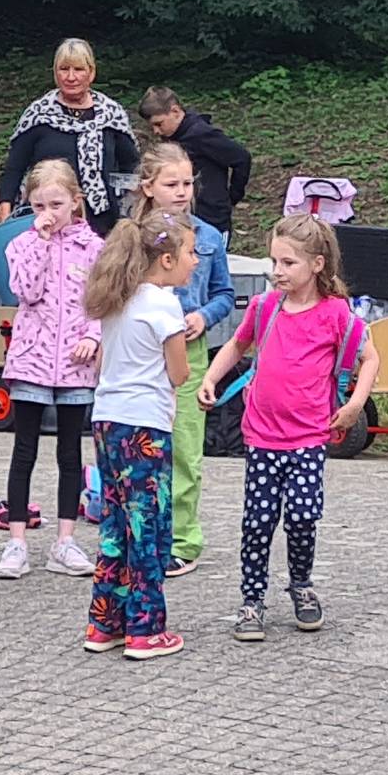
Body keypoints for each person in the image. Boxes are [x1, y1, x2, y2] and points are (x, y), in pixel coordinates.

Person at [200, 216, 375, 644]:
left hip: (308, 437)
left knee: (300, 517)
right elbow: (238, 344)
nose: (277, 271)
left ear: (317, 265)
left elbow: (371, 358)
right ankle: (252, 599)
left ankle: (301, 584)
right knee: (257, 521)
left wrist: (354, 405)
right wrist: (211, 377)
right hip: (261, 436)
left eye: (288, 263)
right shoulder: (264, 307)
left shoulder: (336, 314)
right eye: (274, 261)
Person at [79, 210, 200, 661]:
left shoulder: (119, 298)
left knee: (115, 523)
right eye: (190, 252)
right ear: (165, 259)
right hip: (145, 427)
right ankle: (147, 628)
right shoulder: (164, 305)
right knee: (148, 525)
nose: (195, 260)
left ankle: (105, 621)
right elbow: (178, 372)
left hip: (107, 420)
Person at [0, 159, 103, 579]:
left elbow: (102, 298)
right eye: (39, 205)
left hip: (76, 364)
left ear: (76, 201)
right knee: (25, 451)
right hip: (31, 360)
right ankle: (16, 541)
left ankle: (65, 541)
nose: (49, 213)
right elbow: (25, 290)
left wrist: (93, 335)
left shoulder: (94, 248)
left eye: (57, 203)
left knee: (70, 452)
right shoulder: (20, 243)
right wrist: (38, 241)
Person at [128, 143, 236, 577]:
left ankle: (184, 540)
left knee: (185, 448)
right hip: (140, 352)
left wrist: (202, 315)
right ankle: (143, 534)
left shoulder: (208, 238)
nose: (181, 191)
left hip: (188, 354)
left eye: (187, 183)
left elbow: (225, 295)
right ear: (148, 187)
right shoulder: (132, 236)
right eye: (171, 183)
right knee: (140, 448)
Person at [0, 39, 140, 234]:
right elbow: (15, 167)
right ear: (55, 73)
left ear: (91, 72)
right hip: (47, 219)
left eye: (78, 69)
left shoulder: (111, 115)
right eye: (64, 69)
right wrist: (5, 209)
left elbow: (131, 168)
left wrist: (133, 213)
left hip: (103, 222)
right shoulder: (39, 114)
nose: (71, 77)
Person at [139, 86, 253, 242]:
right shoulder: (175, 136)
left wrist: (232, 196)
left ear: (175, 111)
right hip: (185, 215)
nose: (156, 131)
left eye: (159, 124)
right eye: (152, 126)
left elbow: (241, 157)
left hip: (211, 218)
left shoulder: (201, 134)